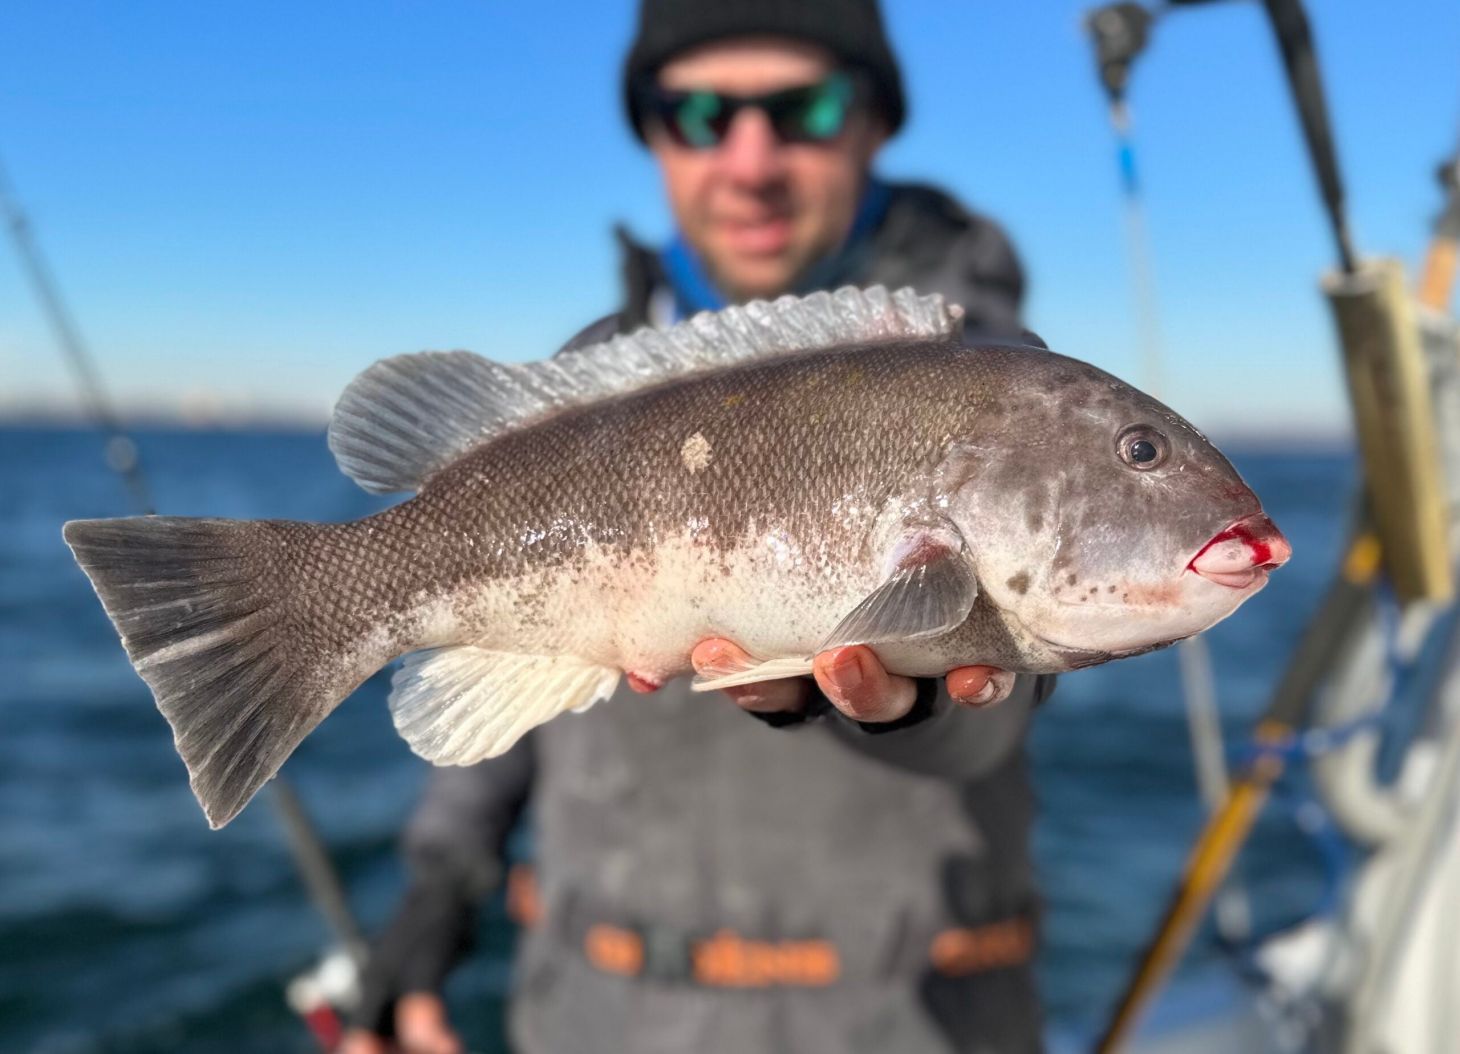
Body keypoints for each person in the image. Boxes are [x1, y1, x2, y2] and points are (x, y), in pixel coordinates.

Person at [342, 3, 1051, 1052]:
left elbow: (1003, 707)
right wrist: (438, 887)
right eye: (699, 113)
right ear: (652, 136)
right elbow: (504, 646)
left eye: (802, 108)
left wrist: (901, 702)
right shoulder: (585, 375)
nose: (750, 161)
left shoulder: (992, 384)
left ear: (872, 123)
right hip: (600, 1014)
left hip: (907, 1017)